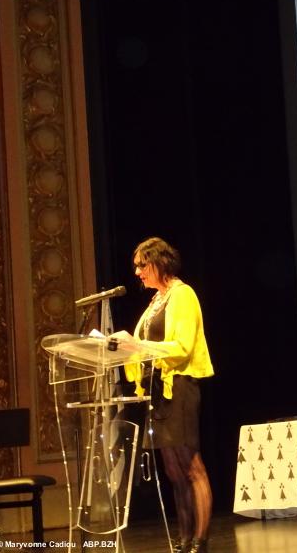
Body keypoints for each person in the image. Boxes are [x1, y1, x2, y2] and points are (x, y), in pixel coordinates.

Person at [124, 237, 214, 553]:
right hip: (158, 392)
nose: (137, 272)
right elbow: (140, 345)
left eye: (141, 265)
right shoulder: (155, 302)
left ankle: (200, 540)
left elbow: (183, 346)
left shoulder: (182, 294)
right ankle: (185, 538)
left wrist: (140, 348)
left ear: (159, 263)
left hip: (180, 387)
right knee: (173, 470)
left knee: (191, 466)